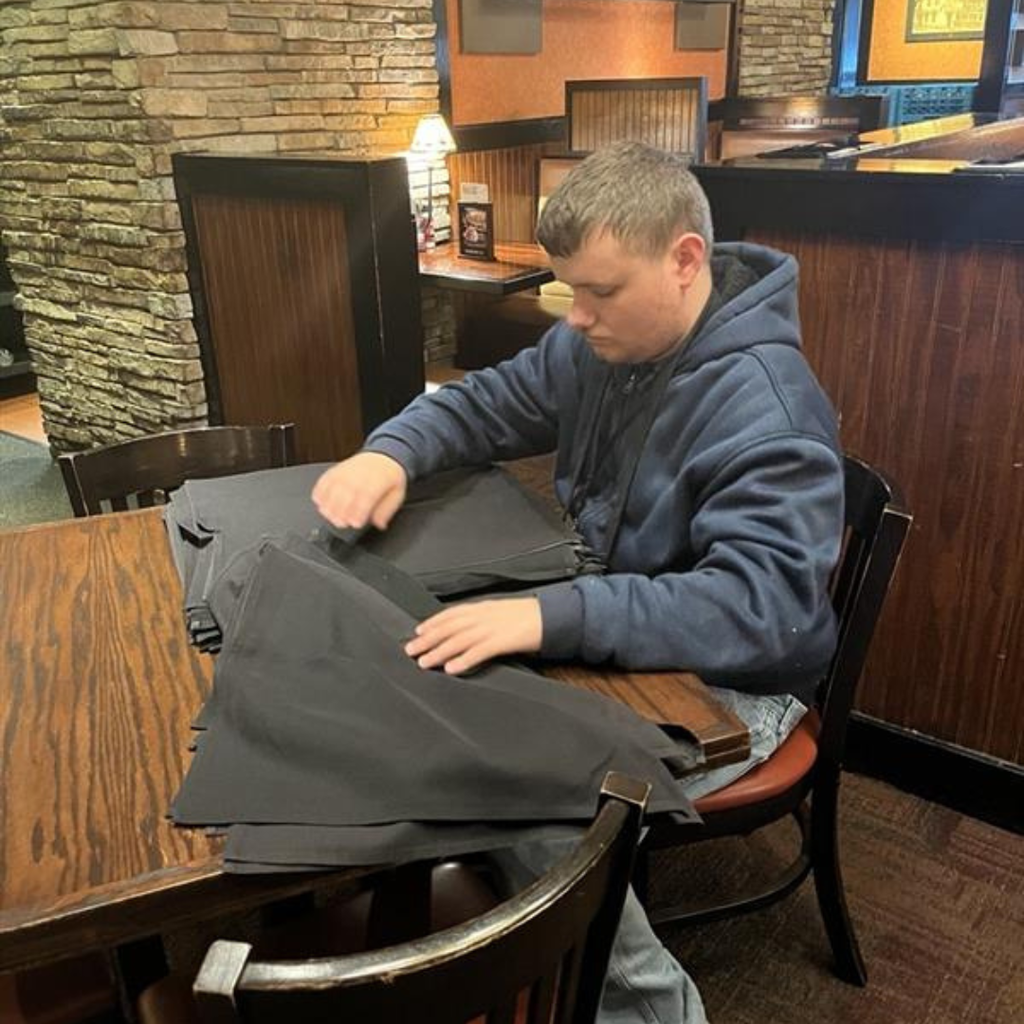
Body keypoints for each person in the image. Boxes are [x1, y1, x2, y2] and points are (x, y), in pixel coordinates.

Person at [312, 140, 844, 1024]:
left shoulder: (766, 408)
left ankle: (653, 1011)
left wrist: (549, 616)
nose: (577, 318)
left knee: (523, 794)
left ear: (684, 261)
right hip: (623, 629)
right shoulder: (603, 345)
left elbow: (764, 611)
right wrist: (392, 452)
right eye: (571, 290)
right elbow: (486, 403)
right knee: (439, 705)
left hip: (738, 689)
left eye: (600, 293)